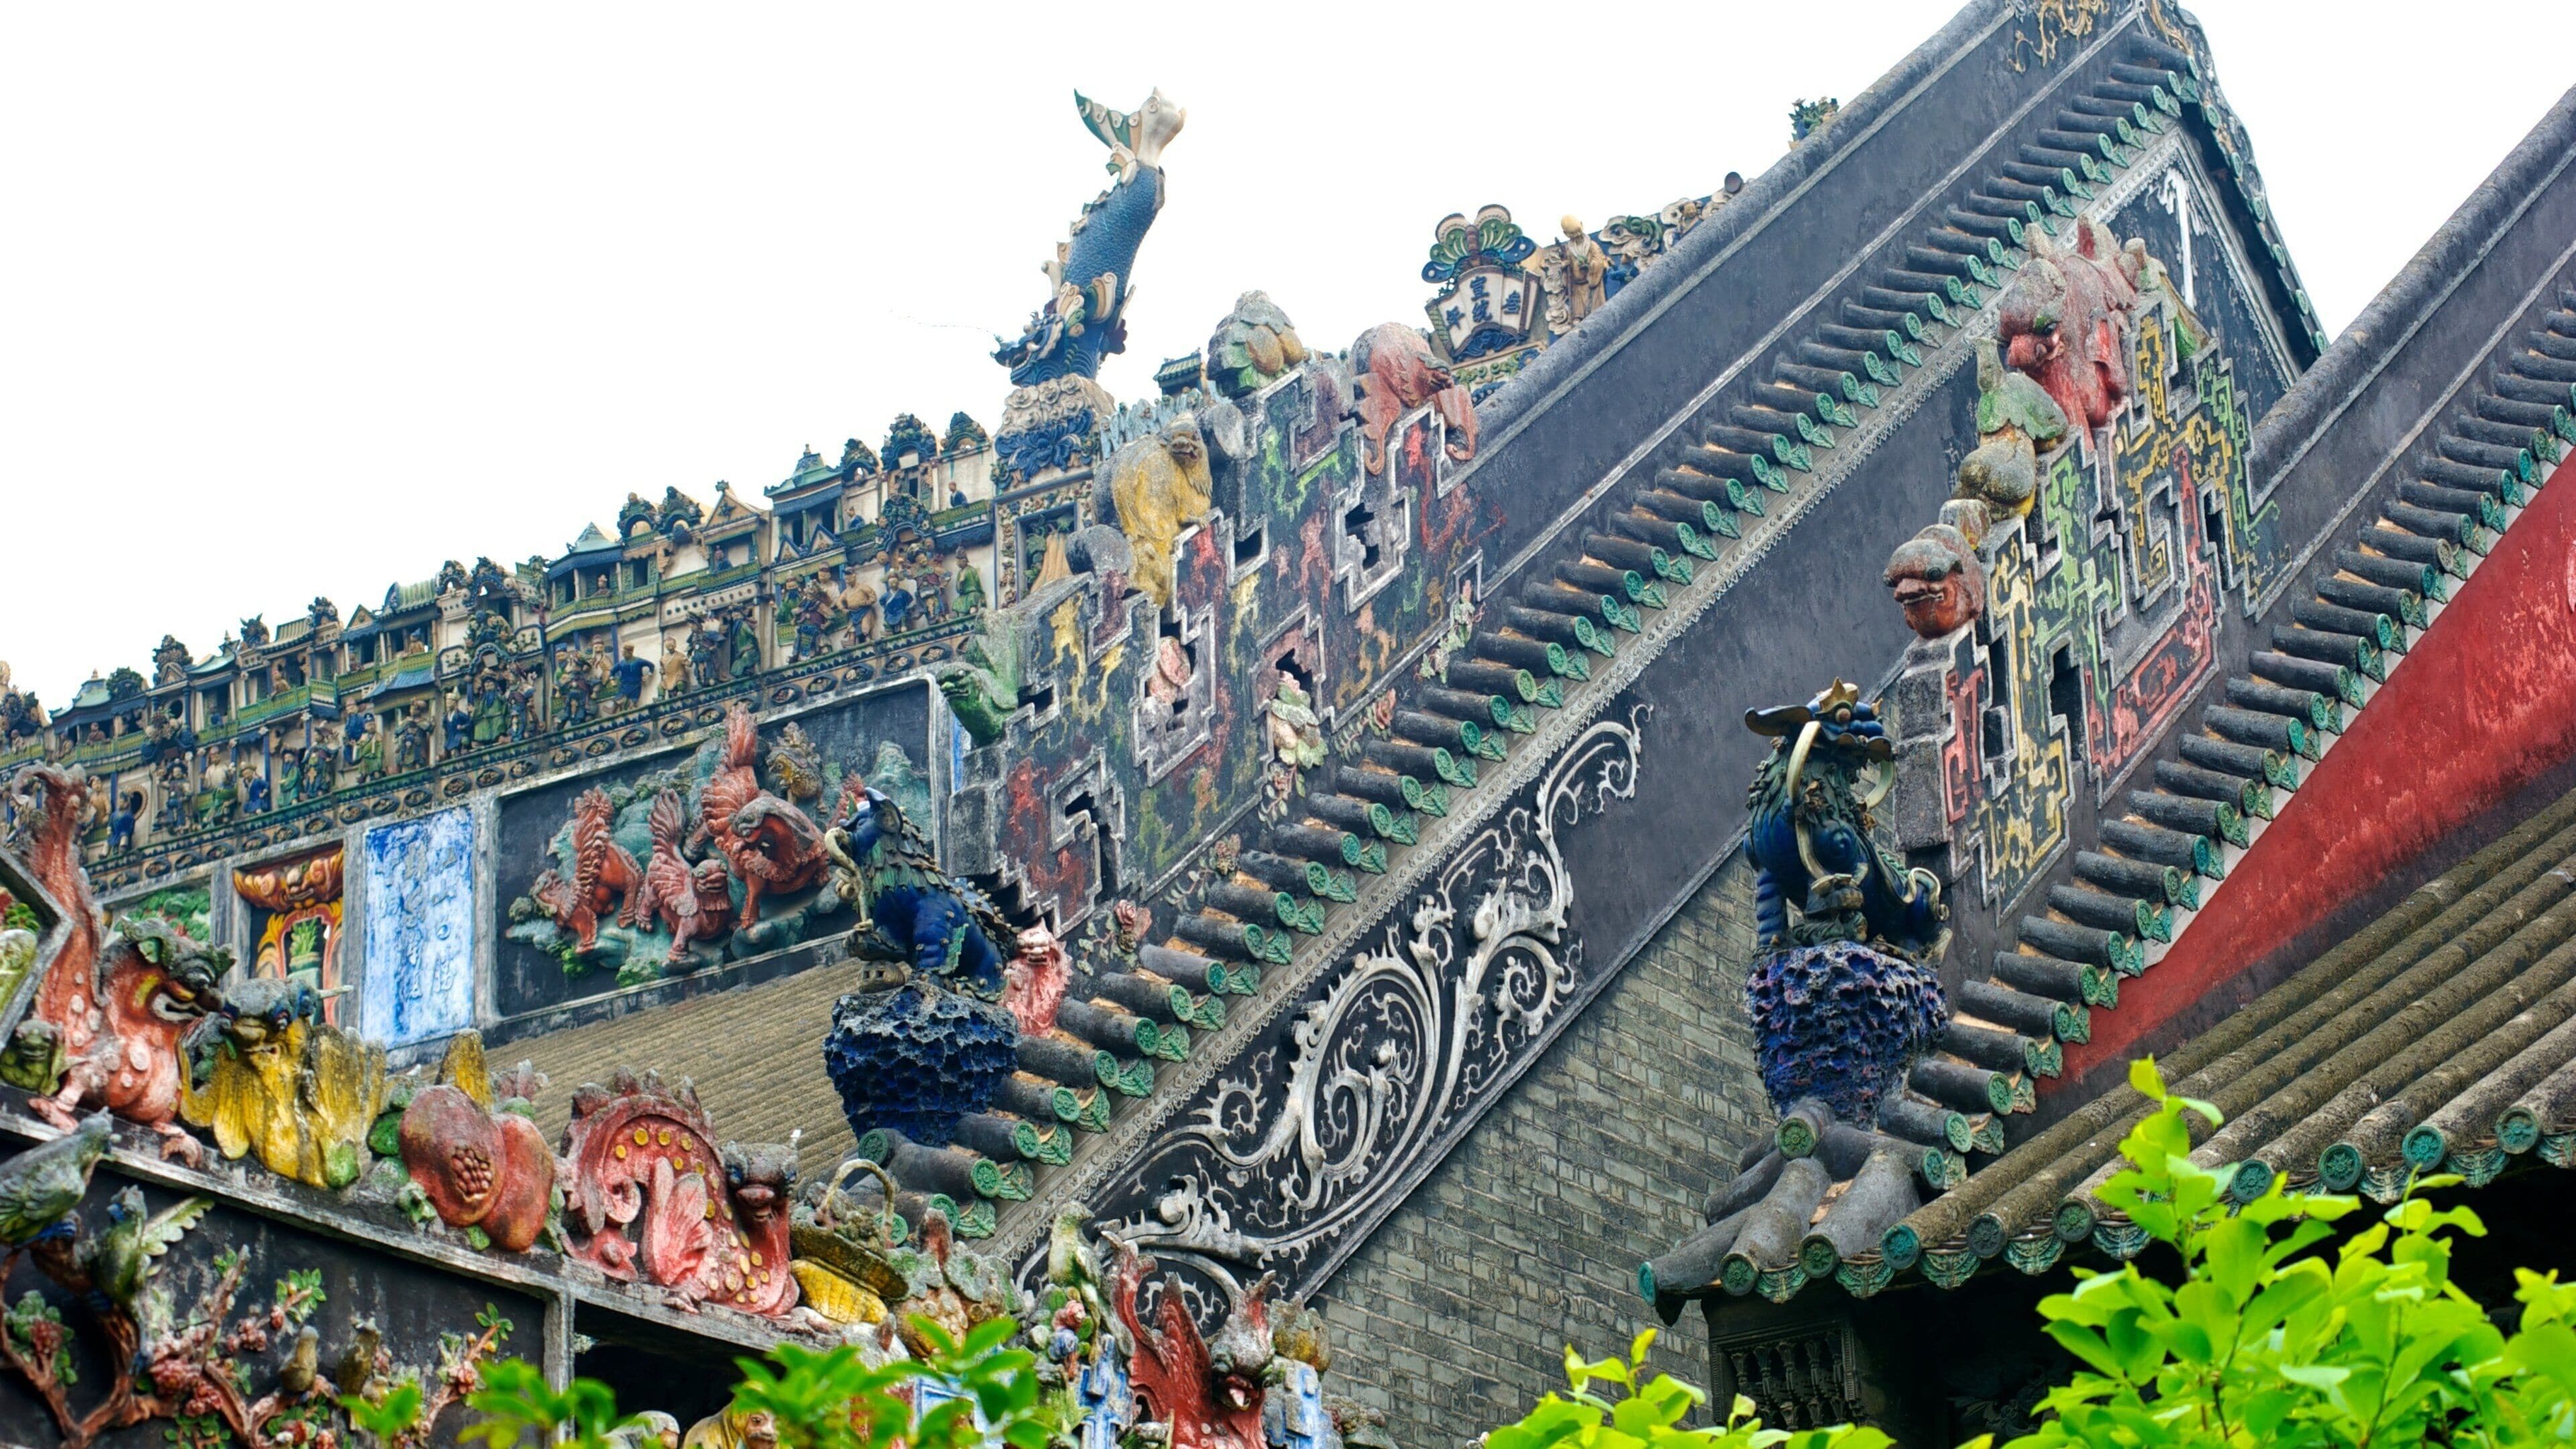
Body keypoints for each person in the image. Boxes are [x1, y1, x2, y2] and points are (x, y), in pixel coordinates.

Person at [612, 644, 651, 710]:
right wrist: (612, 681)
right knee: (618, 701)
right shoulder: (621, 664)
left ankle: (632, 707)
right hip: (625, 686)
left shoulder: (638, 661)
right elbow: (612, 672)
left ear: (630, 653)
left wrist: (648, 675)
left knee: (633, 702)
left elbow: (651, 666)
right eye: (623, 652)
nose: (623, 654)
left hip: (636, 685)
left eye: (625, 653)